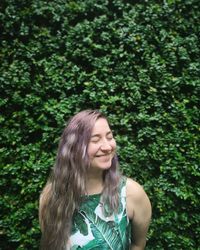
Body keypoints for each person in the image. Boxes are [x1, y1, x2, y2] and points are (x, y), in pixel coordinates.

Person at [39, 109, 151, 250]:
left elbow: (138, 245)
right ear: (75, 148)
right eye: (95, 140)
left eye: (109, 137)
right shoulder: (51, 196)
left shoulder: (131, 193)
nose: (107, 147)